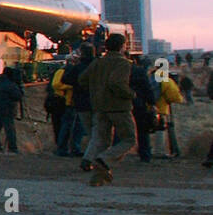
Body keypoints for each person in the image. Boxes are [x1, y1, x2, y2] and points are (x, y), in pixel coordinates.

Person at [79, 33, 137, 185]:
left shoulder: (98, 62)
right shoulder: (123, 63)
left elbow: (82, 79)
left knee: (101, 140)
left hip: (99, 107)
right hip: (119, 108)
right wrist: (131, 94)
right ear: (122, 46)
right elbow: (116, 83)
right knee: (129, 139)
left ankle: (98, 176)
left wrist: (96, 90)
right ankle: (104, 161)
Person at [65, 45, 95, 158]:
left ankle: (83, 153)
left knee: (81, 127)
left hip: (81, 102)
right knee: (98, 131)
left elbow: (66, 79)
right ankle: (94, 156)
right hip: (99, 102)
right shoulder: (98, 65)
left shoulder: (78, 67)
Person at [129, 56, 156, 163]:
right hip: (139, 104)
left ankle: (115, 153)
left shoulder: (115, 70)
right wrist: (152, 103)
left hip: (121, 104)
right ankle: (144, 154)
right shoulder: (139, 71)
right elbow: (147, 88)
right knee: (142, 130)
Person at [152, 65, 182, 158]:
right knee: (160, 130)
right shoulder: (166, 81)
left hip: (148, 108)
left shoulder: (149, 78)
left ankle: (145, 150)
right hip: (161, 109)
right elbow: (175, 98)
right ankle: (159, 151)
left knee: (145, 131)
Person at [0, 67, 23, 152]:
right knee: (9, 130)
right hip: (7, 110)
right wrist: (19, 86)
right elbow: (18, 96)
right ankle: (12, 147)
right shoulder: (10, 84)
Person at [52, 54, 76, 155]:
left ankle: (63, 147)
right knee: (64, 126)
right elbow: (55, 84)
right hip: (62, 102)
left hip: (67, 101)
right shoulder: (61, 71)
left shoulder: (67, 71)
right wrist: (69, 87)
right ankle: (62, 147)